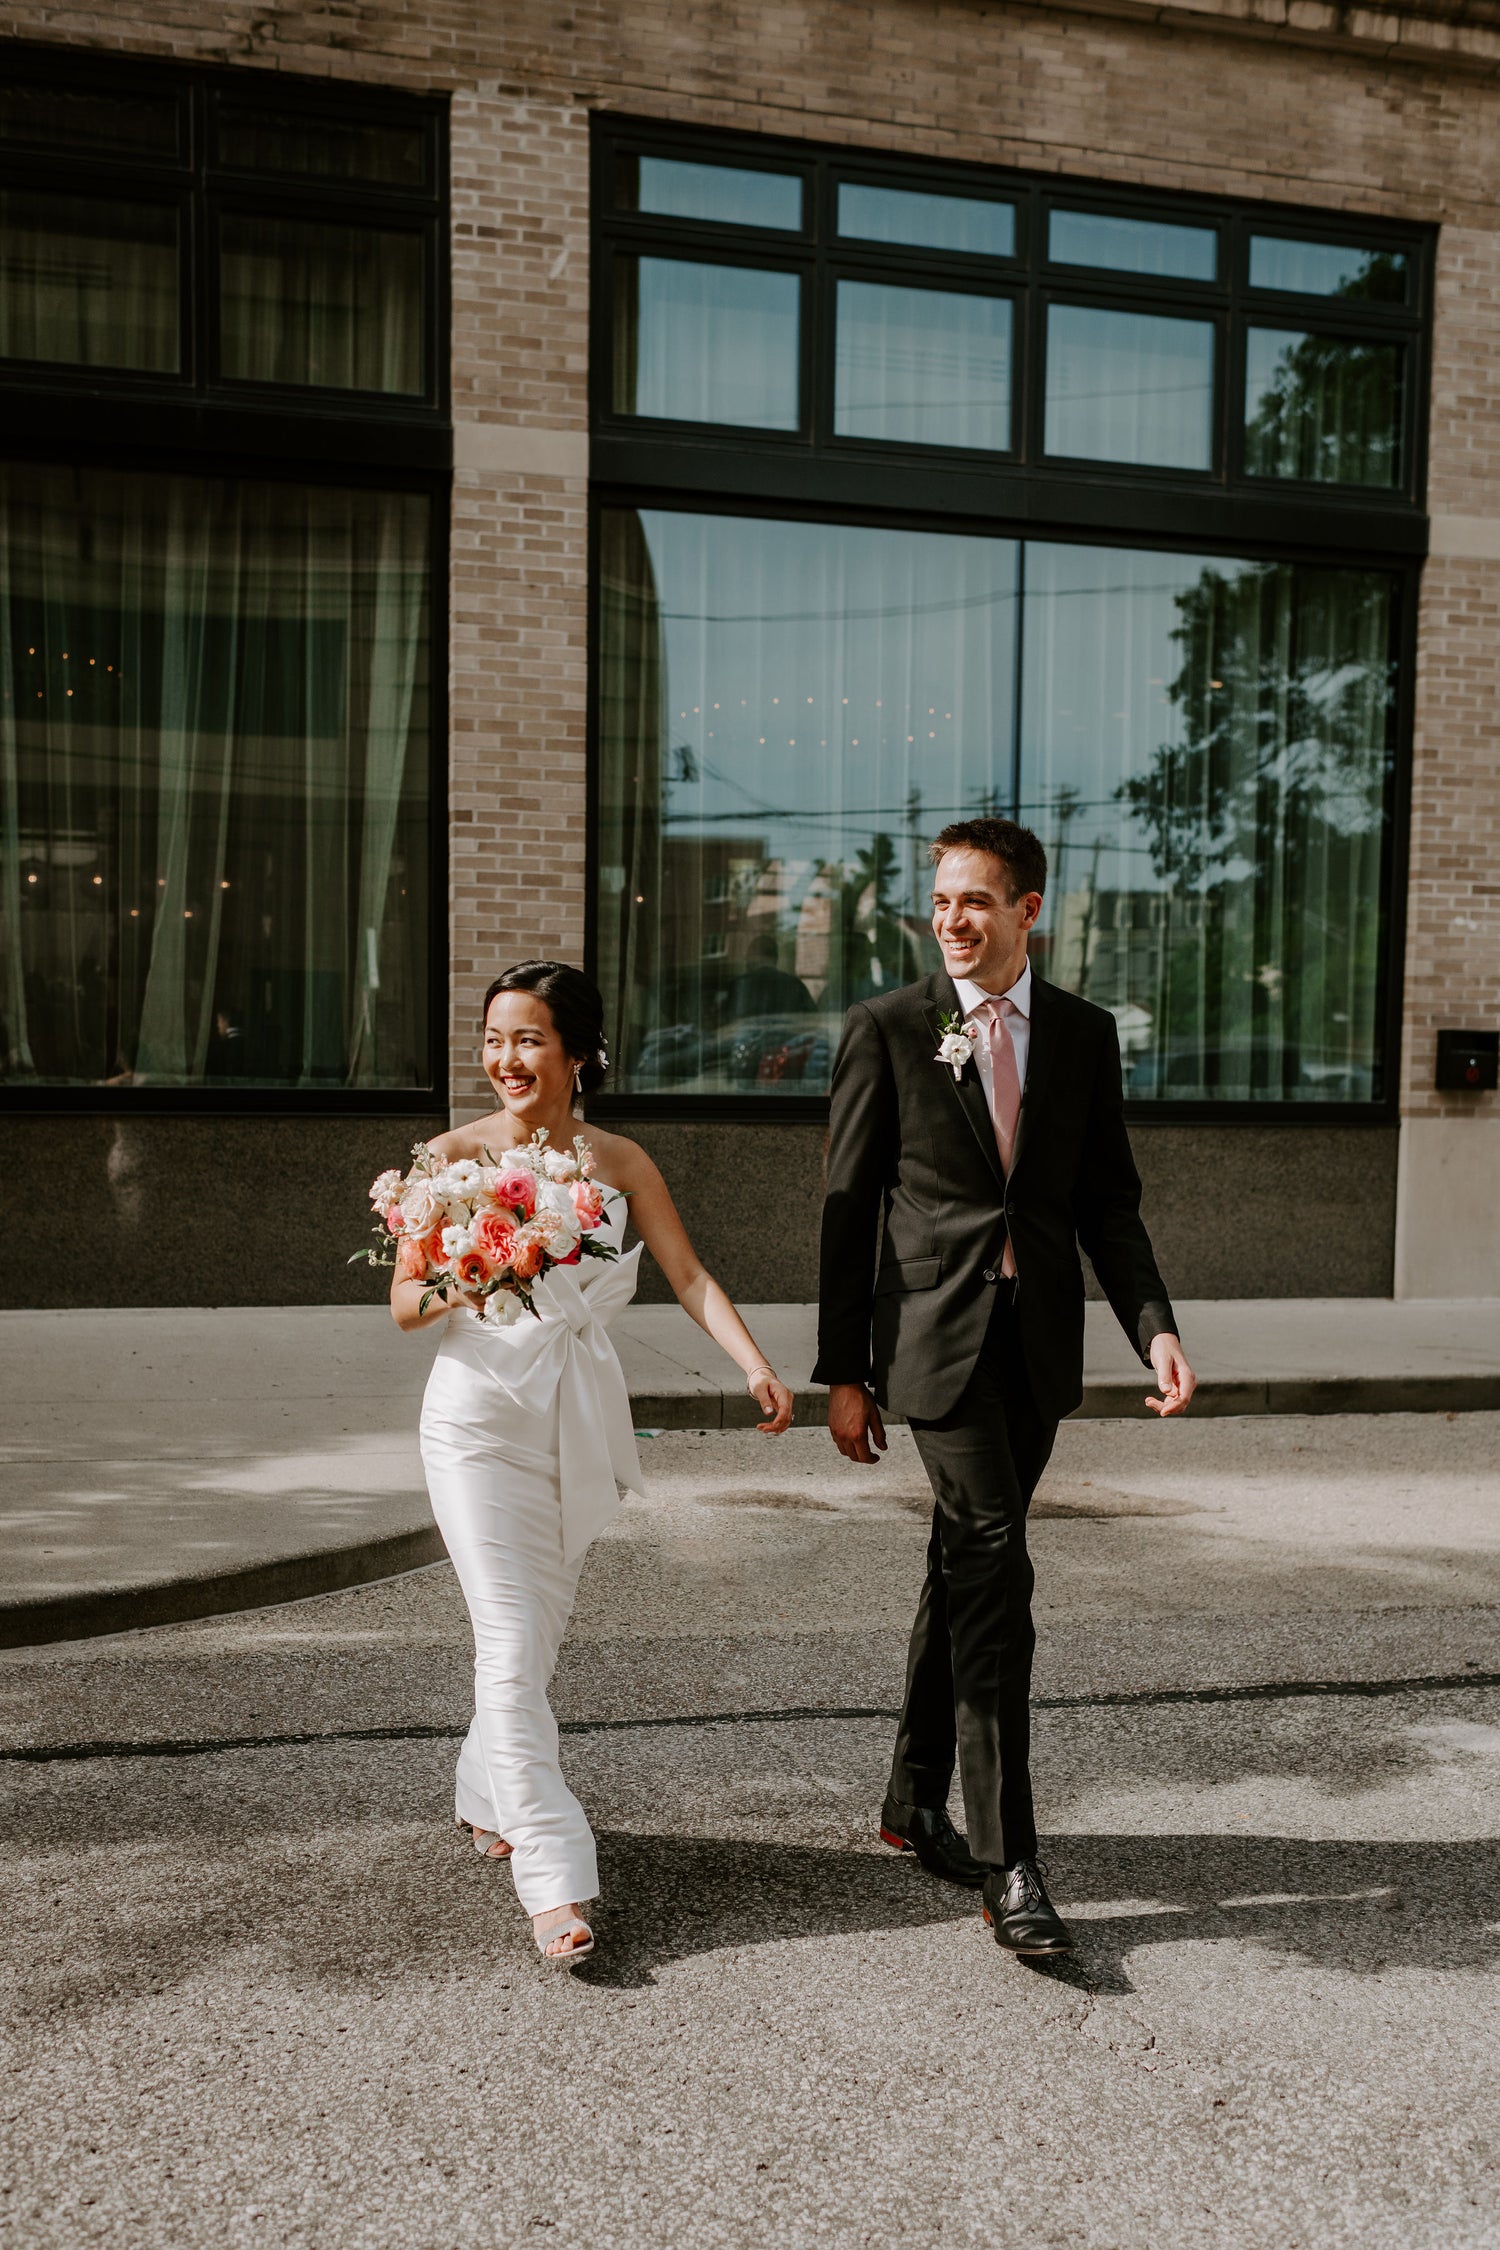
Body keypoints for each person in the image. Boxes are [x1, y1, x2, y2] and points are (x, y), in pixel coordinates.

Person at [812, 818, 1195, 1959]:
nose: (952, 920)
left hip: (1037, 1350)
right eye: (941, 901)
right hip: (934, 1344)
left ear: (1030, 910)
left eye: (976, 900)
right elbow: (847, 1211)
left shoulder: (1084, 1033)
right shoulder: (890, 1028)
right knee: (997, 1575)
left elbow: (1106, 1201)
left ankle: (910, 1799)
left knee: (964, 1569)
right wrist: (844, 1372)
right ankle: (1008, 1859)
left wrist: (1154, 1328)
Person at [392, 960, 794, 1965]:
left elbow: (689, 1275)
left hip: (571, 1421)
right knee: (508, 1641)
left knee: (533, 1640)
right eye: (494, 1039)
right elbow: (405, 1305)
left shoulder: (621, 1163)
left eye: (528, 1039)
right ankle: (554, 1875)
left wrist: (753, 1365)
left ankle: (482, 1789)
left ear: (578, 1053)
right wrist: (481, 1266)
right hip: (476, 1424)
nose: (506, 1059)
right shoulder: (449, 1157)